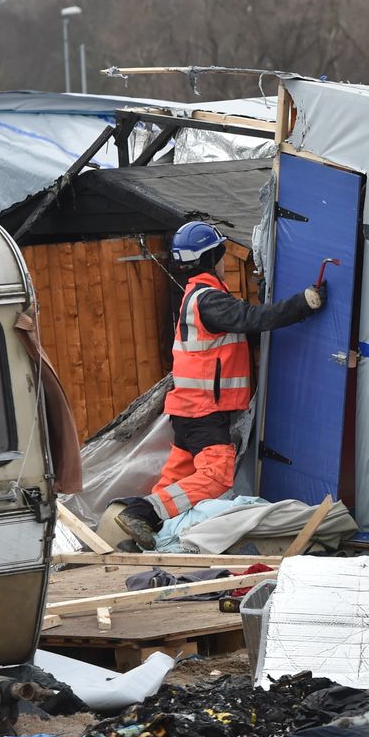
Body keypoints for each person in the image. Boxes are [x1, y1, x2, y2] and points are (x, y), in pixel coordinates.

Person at [115, 221, 326, 548]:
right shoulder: (210, 300)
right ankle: (142, 513)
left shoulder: (196, 298)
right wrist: (305, 302)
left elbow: (244, 331)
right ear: (213, 256)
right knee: (216, 476)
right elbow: (252, 319)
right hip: (203, 411)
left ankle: (141, 538)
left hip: (189, 409)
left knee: (178, 481)